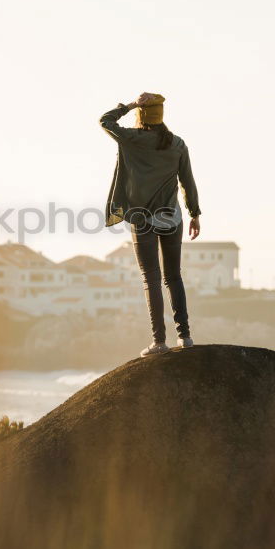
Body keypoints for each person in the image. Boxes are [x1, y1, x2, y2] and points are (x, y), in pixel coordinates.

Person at [100, 92, 201, 357]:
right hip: (172, 217)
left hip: (142, 219)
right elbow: (187, 182)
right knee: (174, 276)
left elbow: (105, 121)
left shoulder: (133, 140)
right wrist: (195, 214)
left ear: (141, 116)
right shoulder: (177, 144)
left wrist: (131, 105)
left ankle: (159, 341)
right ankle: (185, 336)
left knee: (151, 279)